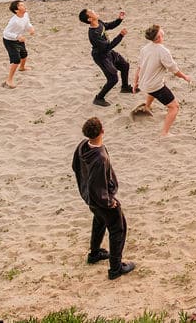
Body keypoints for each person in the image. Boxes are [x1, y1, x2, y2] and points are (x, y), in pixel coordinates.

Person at [72, 117, 134, 280]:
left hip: (88, 197)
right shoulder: (100, 158)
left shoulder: (82, 146)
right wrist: (109, 201)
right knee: (117, 229)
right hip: (101, 200)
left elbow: (75, 166)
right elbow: (97, 185)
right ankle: (115, 268)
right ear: (102, 131)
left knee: (99, 221)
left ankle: (95, 253)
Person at [133, 25, 191, 137]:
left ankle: (147, 107)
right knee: (174, 107)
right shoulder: (163, 51)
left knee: (157, 85)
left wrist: (135, 83)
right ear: (159, 36)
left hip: (143, 83)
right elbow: (174, 70)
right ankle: (165, 133)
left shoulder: (144, 49)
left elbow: (139, 67)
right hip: (153, 86)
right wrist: (185, 77)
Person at [78, 9, 132, 107]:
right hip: (101, 57)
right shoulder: (93, 34)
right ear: (90, 19)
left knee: (125, 65)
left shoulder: (99, 22)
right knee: (113, 78)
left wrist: (119, 19)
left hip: (107, 52)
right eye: (91, 12)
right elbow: (108, 46)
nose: (94, 11)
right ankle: (99, 98)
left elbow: (108, 26)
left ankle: (125, 87)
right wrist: (120, 36)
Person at [2, 0, 35, 89]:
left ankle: (22, 67)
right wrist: (17, 37)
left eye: (23, 4)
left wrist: (31, 28)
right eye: (21, 5)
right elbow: (5, 33)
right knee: (16, 59)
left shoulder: (25, 15)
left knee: (24, 54)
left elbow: (27, 23)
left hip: (19, 38)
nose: (24, 6)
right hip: (9, 41)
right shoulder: (14, 21)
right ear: (16, 10)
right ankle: (9, 80)